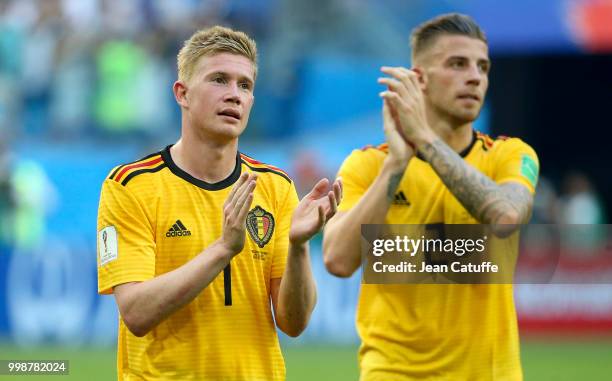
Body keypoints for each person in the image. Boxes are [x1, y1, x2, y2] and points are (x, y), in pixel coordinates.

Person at [97, 26, 341, 381]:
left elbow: (294, 322)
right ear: (182, 93)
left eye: (245, 85)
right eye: (219, 80)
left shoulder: (275, 186)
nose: (234, 95)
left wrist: (299, 246)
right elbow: (135, 313)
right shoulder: (131, 186)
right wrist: (224, 249)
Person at [323, 13, 539, 380]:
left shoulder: (510, 155)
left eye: (482, 67)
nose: (475, 77)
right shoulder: (369, 164)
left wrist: (423, 138)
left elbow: (505, 216)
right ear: (418, 79)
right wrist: (397, 165)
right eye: (457, 64)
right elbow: (337, 261)